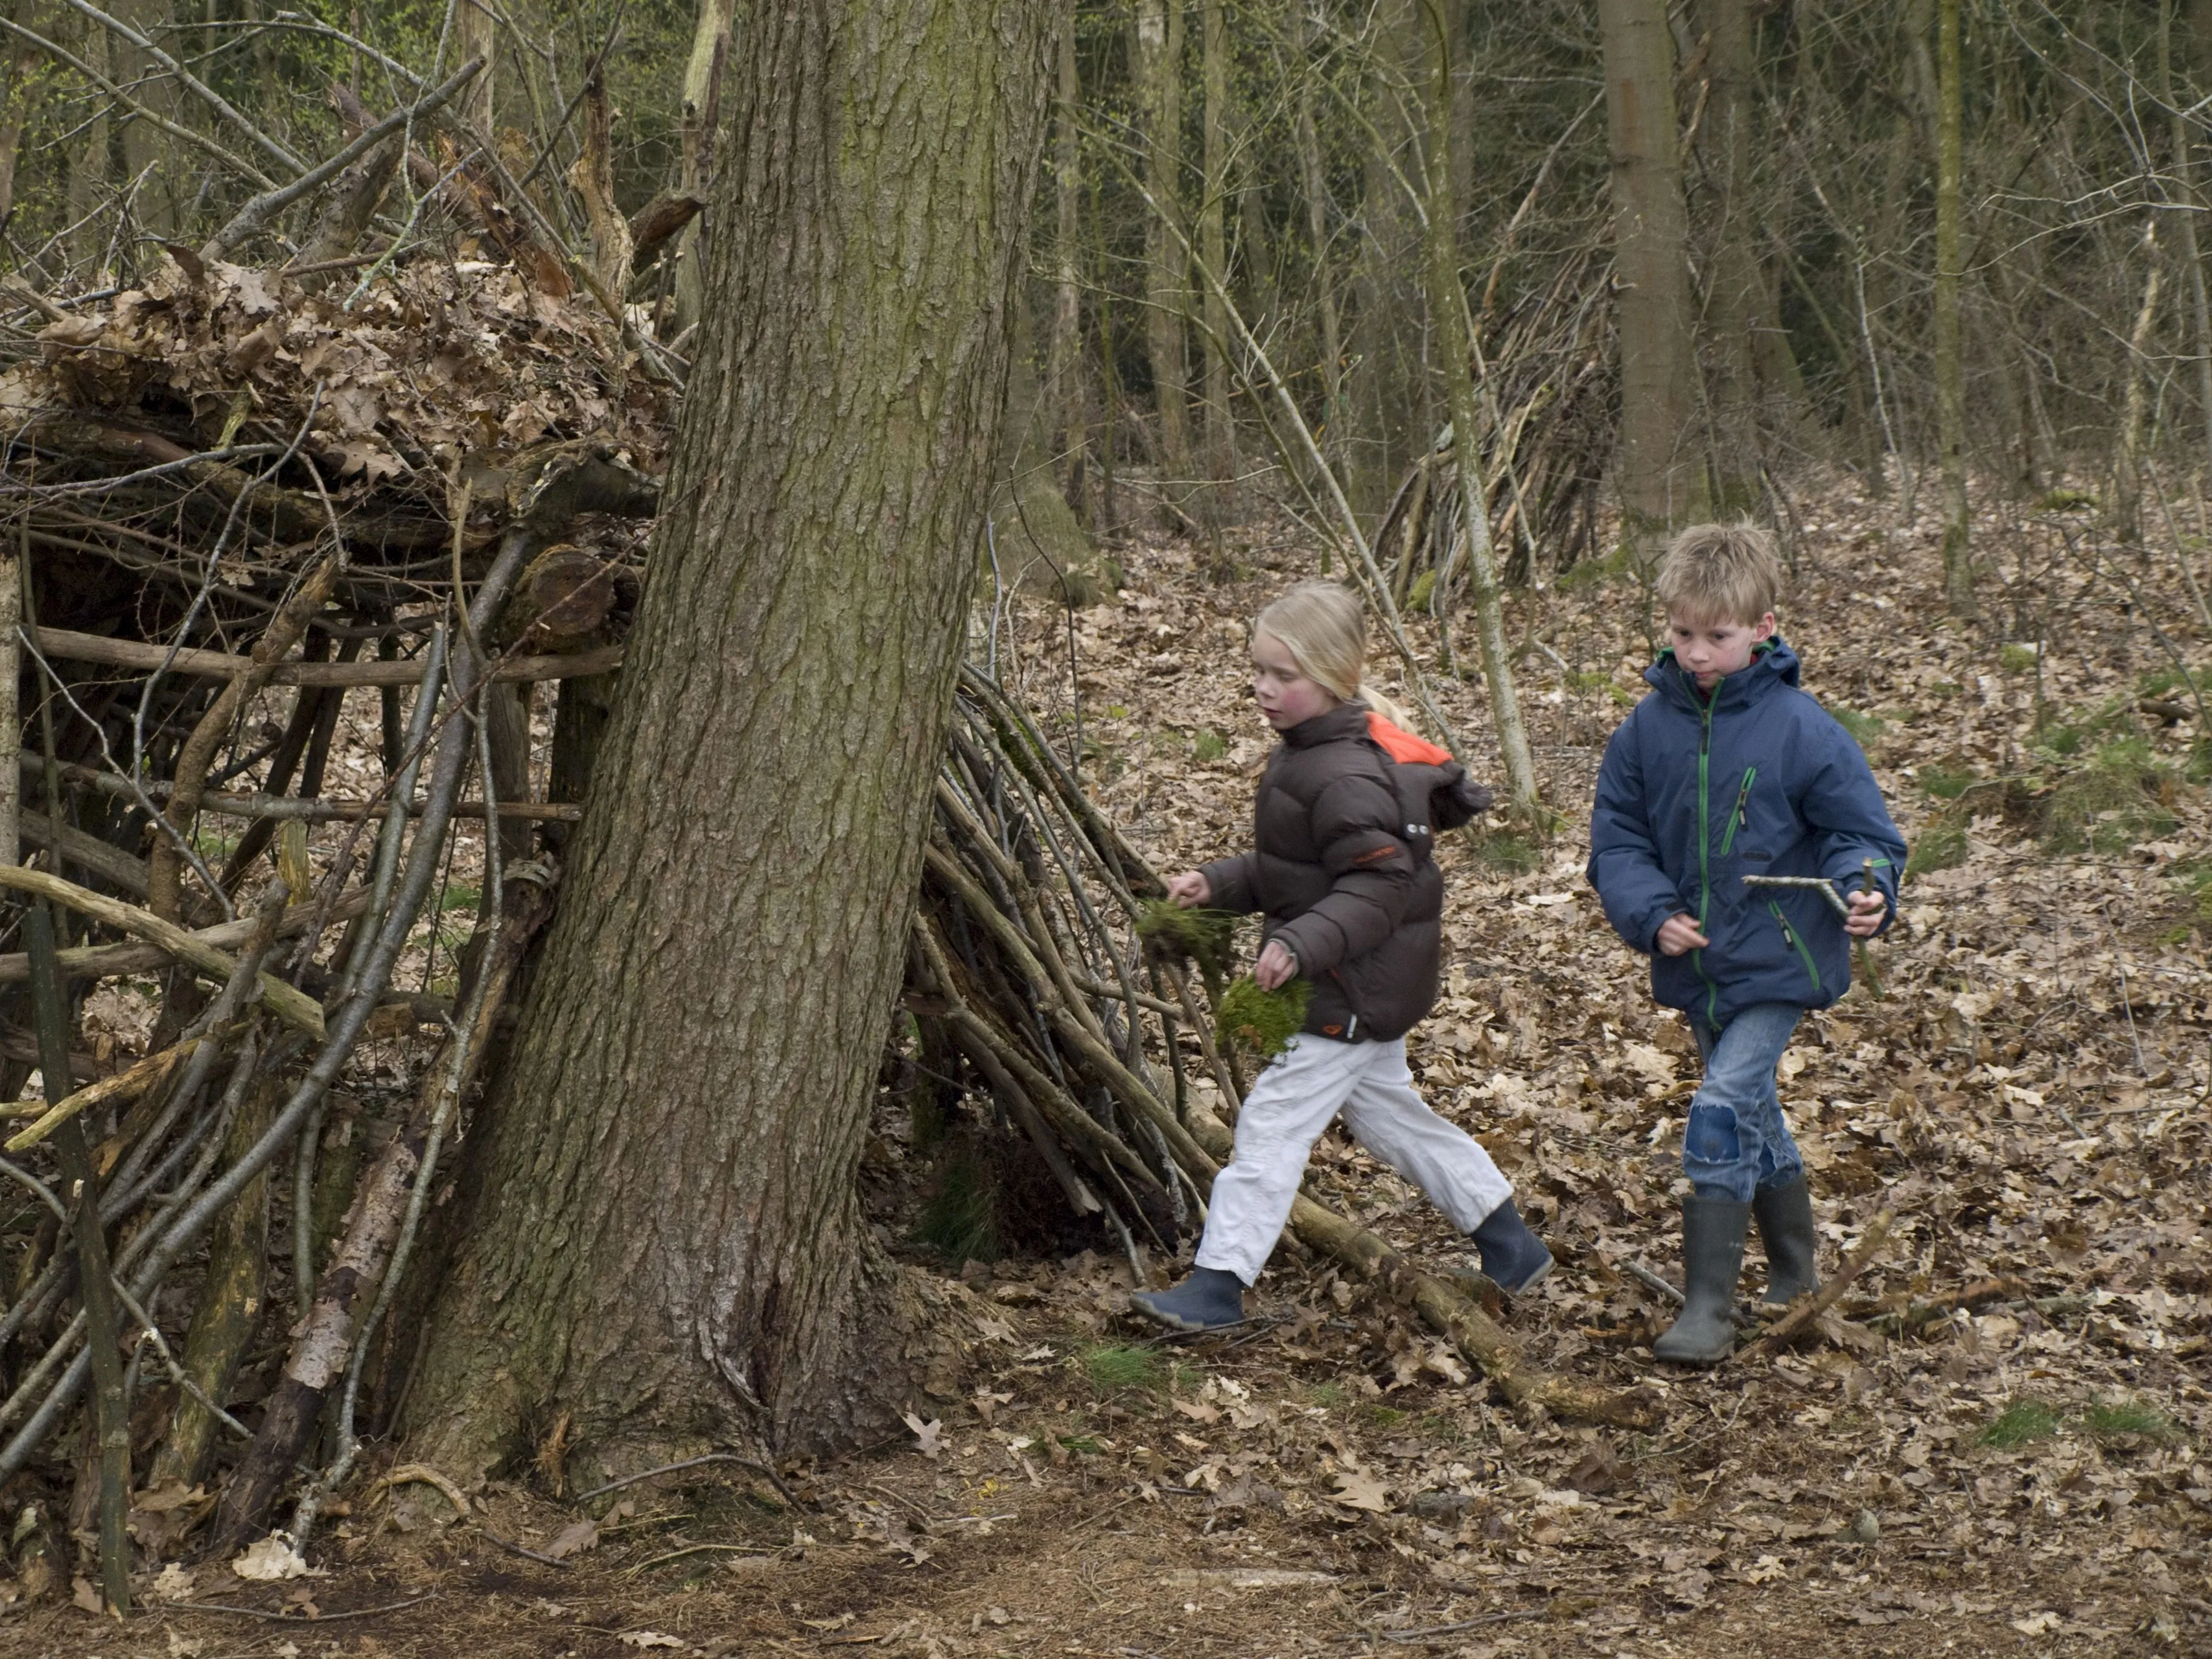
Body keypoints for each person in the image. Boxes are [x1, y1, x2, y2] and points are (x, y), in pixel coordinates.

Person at [1128, 581, 1553, 1332]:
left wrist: (1298, 942)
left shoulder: (1344, 775)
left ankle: (1218, 1282)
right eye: (1257, 669)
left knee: (1269, 1129)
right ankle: (1507, 1239)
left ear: (1331, 677)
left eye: (1282, 675)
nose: (1263, 687)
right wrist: (1219, 883)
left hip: (1349, 985)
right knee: (1392, 1118)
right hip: (1361, 980)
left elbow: (1377, 886)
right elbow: (1297, 872)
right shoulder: (1307, 757)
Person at [1587, 522, 1905, 1365]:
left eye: (1716, 637)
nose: (1695, 653)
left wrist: (1868, 888)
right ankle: (1795, 1275)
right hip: (1696, 965)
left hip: (1779, 961)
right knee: (1753, 1110)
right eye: (1681, 634)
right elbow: (1615, 843)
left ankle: (1709, 1309)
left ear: (1763, 627)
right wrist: (1651, 911)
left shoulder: (1804, 729)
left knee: (1721, 1109)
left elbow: (1861, 835)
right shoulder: (1643, 733)